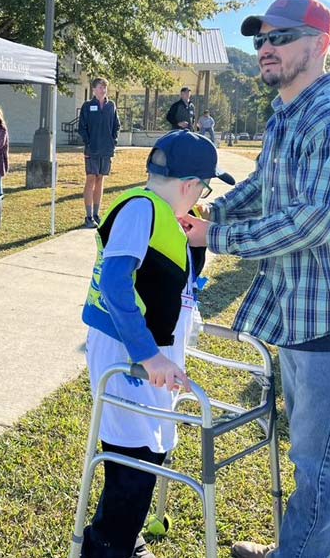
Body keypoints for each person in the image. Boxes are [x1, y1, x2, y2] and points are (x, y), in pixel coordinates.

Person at [182, 0, 330, 558]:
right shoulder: (289, 115)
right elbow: (265, 187)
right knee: (313, 456)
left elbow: (313, 220)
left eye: (281, 37)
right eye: (260, 39)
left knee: (317, 463)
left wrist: (215, 238)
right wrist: (211, 213)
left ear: (320, 44)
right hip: (308, 313)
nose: (265, 48)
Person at [81, 130, 234, 558]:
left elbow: (171, 284)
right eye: (202, 188)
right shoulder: (140, 210)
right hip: (130, 352)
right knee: (133, 453)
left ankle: (127, 537)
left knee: (150, 446)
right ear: (188, 185)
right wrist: (147, 354)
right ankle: (109, 544)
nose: (201, 197)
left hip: (153, 353)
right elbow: (115, 283)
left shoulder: (163, 217)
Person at [78, 77, 121, 228]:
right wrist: (88, 143)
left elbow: (117, 125)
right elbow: (82, 128)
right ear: (94, 89)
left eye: (105, 87)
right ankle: (88, 216)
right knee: (91, 179)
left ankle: (96, 214)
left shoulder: (111, 106)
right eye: (100, 87)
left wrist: (113, 141)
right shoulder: (88, 106)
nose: (103, 90)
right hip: (92, 149)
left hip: (106, 150)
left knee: (100, 179)